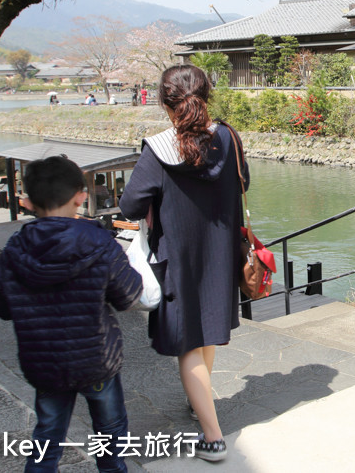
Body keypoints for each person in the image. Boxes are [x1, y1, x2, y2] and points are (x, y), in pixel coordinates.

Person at [120, 64, 247, 462]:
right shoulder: (228, 137)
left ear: (164, 100)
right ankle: (201, 400)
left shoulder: (158, 149)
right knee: (206, 332)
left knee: (189, 344)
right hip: (222, 252)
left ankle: (213, 437)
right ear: (206, 94)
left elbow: (130, 205)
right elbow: (243, 182)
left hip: (178, 259)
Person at [0, 156, 142, 472]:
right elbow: (128, 296)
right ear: (81, 196)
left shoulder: (16, 248)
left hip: (44, 362)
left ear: (27, 202)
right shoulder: (100, 242)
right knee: (110, 437)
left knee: (48, 436)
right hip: (96, 360)